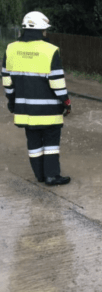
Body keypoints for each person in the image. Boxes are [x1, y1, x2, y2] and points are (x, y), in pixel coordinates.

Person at [2, 11, 72, 186]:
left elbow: (7, 80)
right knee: (51, 142)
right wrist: (66, 102)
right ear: (42, 30)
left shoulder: (11, 49)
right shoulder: (50, 50)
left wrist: (11, 100)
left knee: (33, 142)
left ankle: (40, 175)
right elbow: (57, 82)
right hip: (49, 109)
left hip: (25, 110)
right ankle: (52, 176)